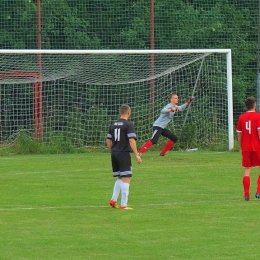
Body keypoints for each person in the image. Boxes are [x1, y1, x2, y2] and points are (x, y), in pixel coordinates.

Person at [106, 104, 142, 210]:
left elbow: (108, 140)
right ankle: (123, 205)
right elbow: (131, 140)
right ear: (129, 113)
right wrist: (137, 154)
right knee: (126, 178)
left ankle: (113, 200)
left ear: (120, 113)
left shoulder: (113, 124)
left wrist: (112, 150)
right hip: (123, 153)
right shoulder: (128, 125)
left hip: (115, 153)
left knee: (120, 177)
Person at [236, 96, 260, 201]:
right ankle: (258, 191)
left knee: (247, 170)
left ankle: (246, 195)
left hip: (246, 147)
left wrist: (241, 147)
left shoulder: (241, 117)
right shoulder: (258, 116)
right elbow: (259, 132)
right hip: (257, 146)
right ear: (255, 105)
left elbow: (239, 135)